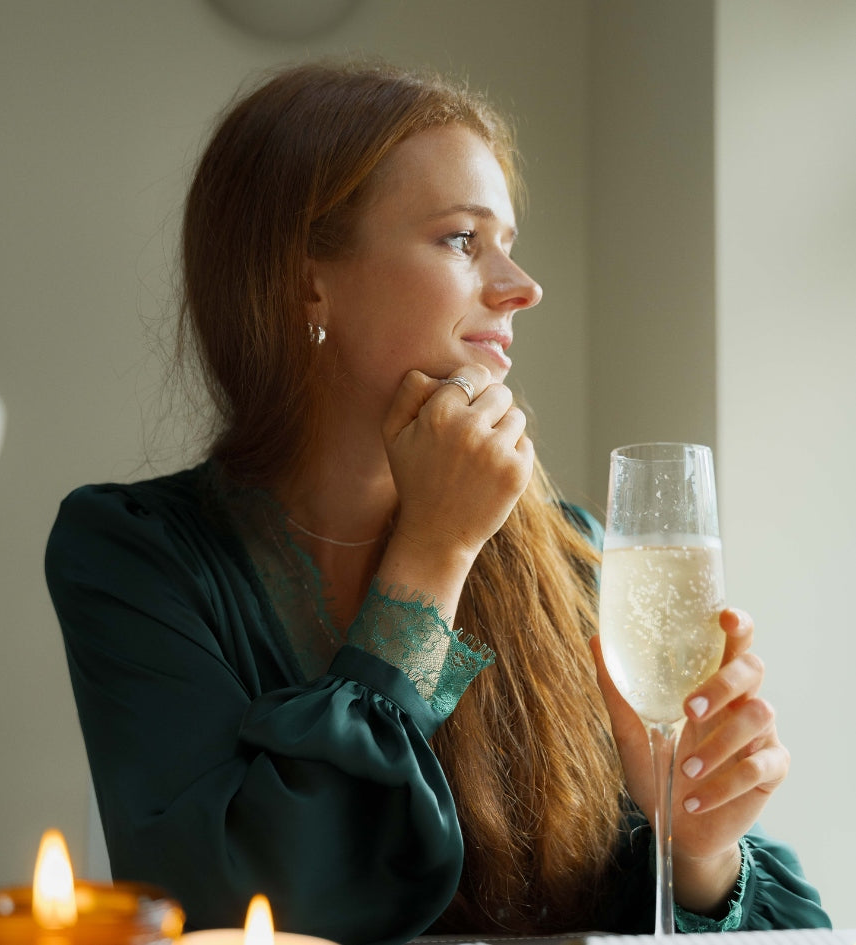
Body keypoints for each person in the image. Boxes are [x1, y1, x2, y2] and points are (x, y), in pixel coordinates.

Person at [45, 60, 830, 944]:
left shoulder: (571, 554)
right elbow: (228, 909)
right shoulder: (134, 552)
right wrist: (431, 555)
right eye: (462, 239)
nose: (520, 285)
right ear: (308, 282)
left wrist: (697, 855)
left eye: (507, 240)